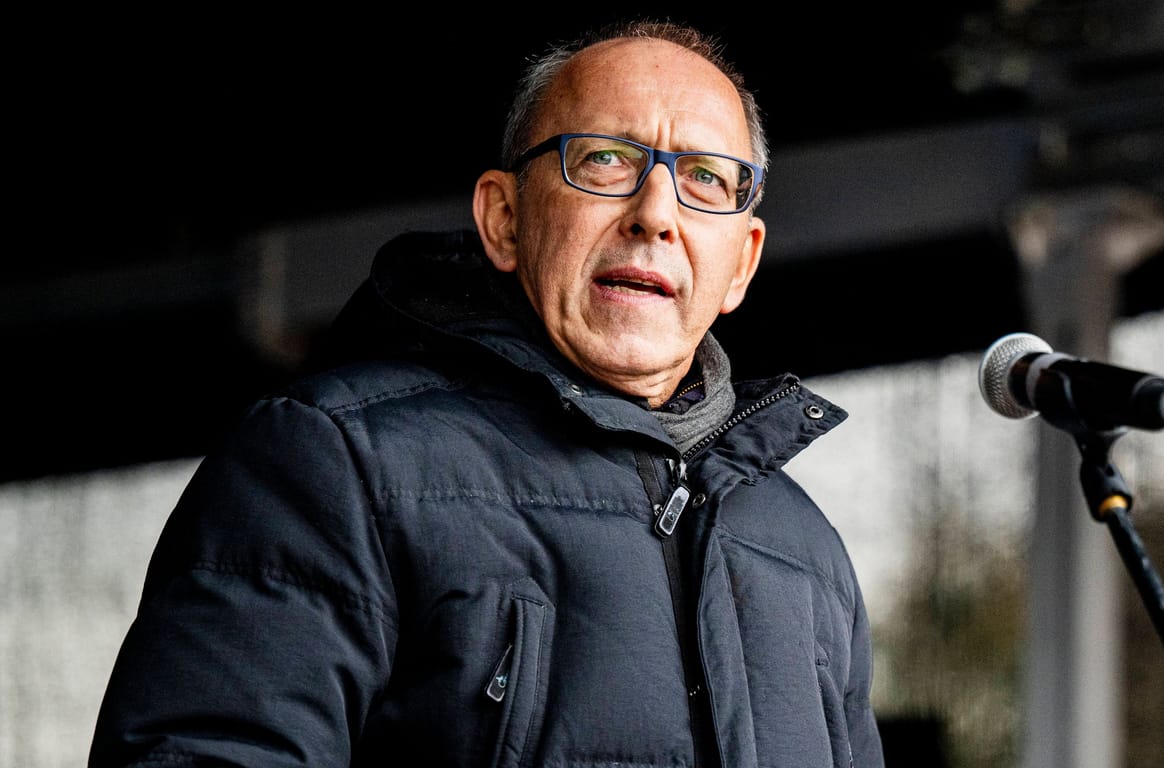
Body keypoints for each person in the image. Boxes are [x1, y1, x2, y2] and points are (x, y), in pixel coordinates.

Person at [90, 18, 886, 768]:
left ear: (741, 263)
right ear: (503, 218)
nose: (655, 214)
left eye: (707, 178)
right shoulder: (334, 465)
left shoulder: (805, 550)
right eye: (606, 159)